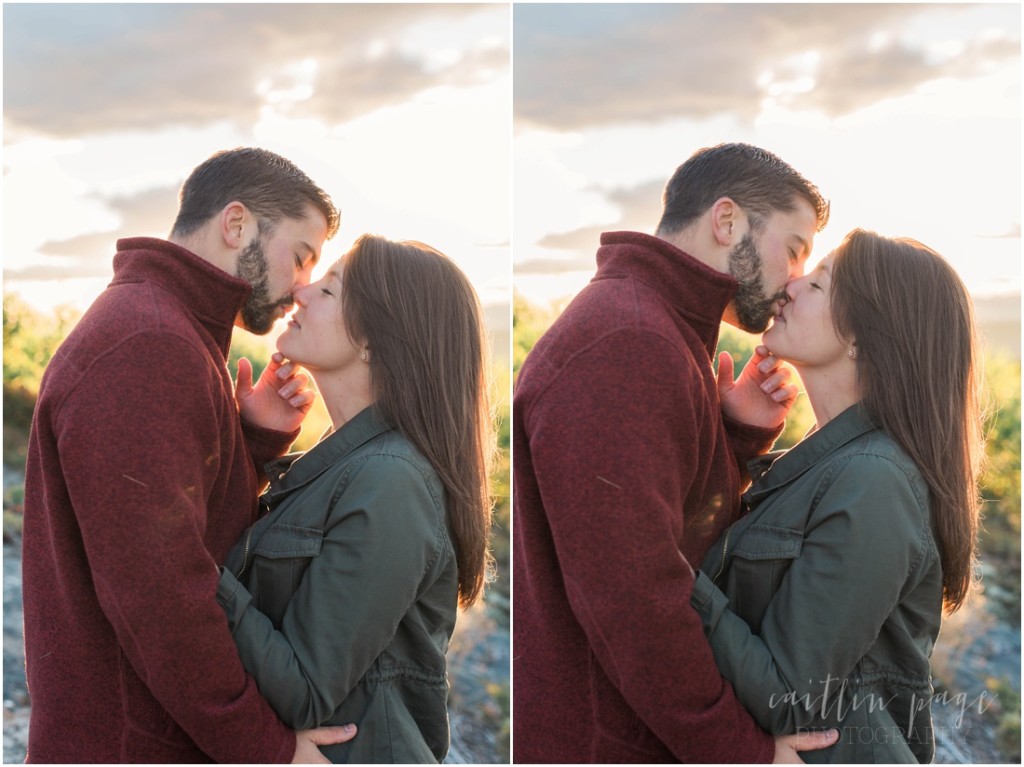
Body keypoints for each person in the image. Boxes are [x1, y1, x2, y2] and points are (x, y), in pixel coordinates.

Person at [22, 147, 357, 762]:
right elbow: (161, 595)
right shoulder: (148, 342)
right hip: (132, 743)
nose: (303, 288)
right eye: (301, 258)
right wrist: (266, 748)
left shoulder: (168, 328)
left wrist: (251, 443)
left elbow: (179, 534)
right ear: (237, 226)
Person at [513, 142, 839, 762]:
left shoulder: (656, 327)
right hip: (606, 740)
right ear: (727, 222)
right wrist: (741, 751)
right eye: (793, 250)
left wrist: (735, 436)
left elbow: (665, 533)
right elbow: (636, 598)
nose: (795, 279)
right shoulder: (629, 339)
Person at [690, 229, 984, 762]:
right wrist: (740, 438)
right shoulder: (832, 466)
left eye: (820, 284)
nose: (792, 286)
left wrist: (665, 570)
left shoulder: (874, 481)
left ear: (862, 338)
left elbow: (788, 698)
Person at [215, 234, 495, 763]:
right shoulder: (344, 464)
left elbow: (304, 690)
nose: (301, 291)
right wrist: (259, 444)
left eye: (328, 290)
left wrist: (192, 569)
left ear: (373, 338)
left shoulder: (391, 481)